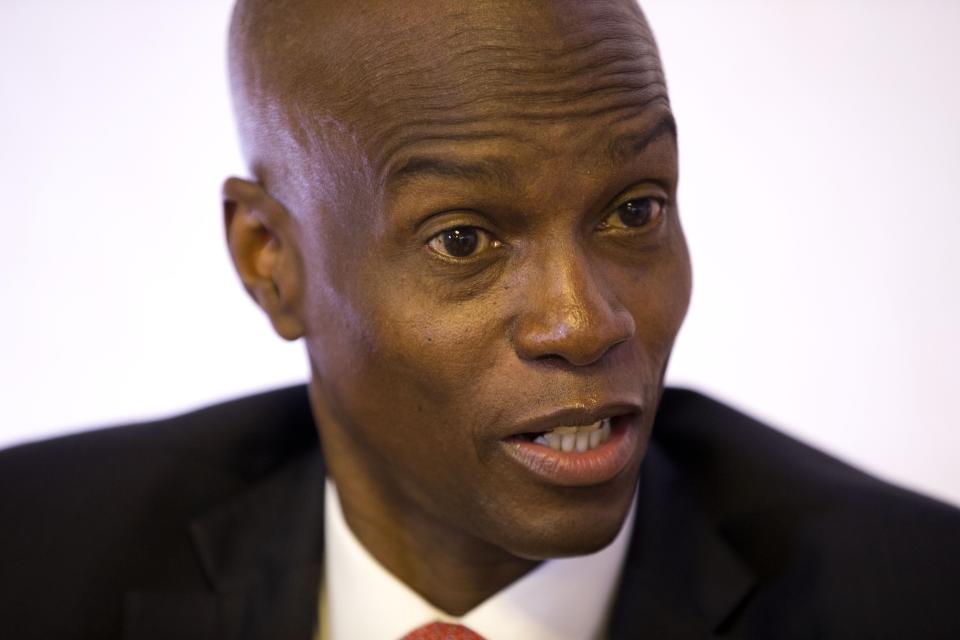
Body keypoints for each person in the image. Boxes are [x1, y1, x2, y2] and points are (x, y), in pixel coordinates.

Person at [1, 1, 958, 638]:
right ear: (270, 259)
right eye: (465, 240)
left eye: (636, 209)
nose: (586, 324)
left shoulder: (916, 596)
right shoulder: (36, 556)